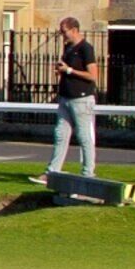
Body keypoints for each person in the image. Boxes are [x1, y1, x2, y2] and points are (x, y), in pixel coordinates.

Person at [46, 16, 102, 177]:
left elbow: (93, 75)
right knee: (60, 135)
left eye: (64, 32)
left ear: (74, 30)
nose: (63, 35)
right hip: (65, 97)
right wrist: (61, 71)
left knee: (84, 136)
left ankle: (88, 172)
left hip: (81, 99)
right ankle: (52, 171)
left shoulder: (86, 48)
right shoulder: (68, 48)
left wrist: (69, 70)